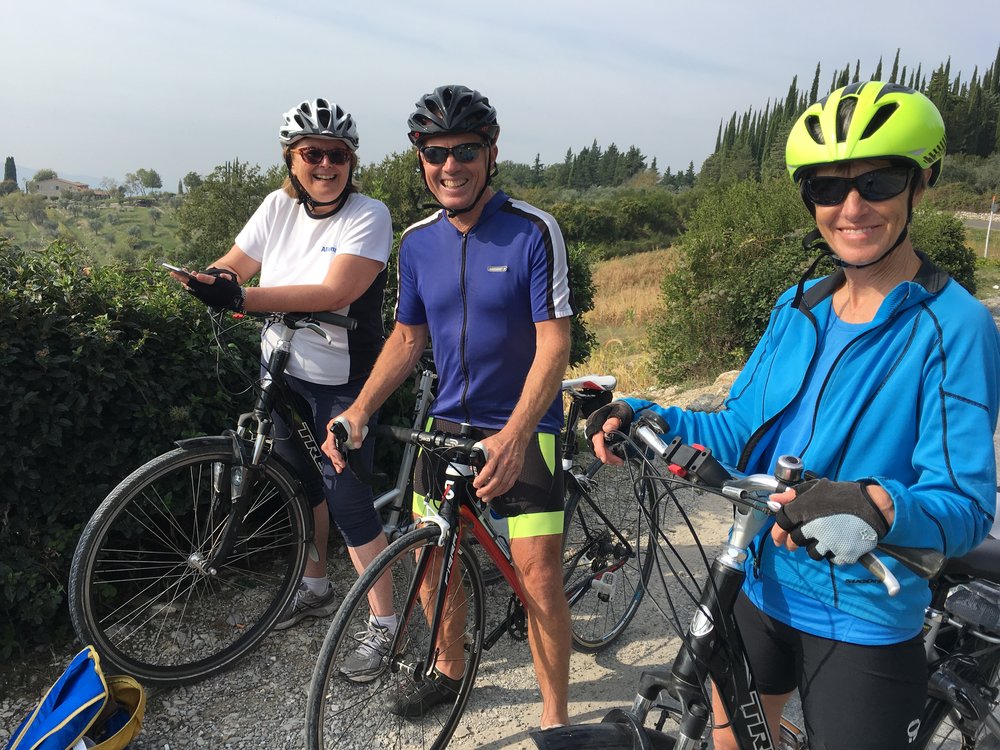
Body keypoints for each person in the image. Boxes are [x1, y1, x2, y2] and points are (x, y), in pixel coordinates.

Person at [587, 81, 1000, 750]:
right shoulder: (797, 307)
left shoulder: (955, 327)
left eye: (880, 180)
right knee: (734, 741)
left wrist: (871, 503)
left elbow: (962, 503)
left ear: (920, 184)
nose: (853, 207)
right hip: (758, 583)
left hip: (862, 614)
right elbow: (740, 429)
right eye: (827, 189)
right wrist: (644, 415)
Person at [324, 84, 576, 728]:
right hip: (448, 426)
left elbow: (554, 345)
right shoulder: (417, 243)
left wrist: (519, 435)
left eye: (466, 150)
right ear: (421, 159)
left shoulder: (531, 230)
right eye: (435, 153)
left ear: (492, 153)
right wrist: (358, 411)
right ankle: (449, 667)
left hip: (527, 427)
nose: (450, 165)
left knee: (538, 575)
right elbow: (407, 339)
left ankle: (554, 721)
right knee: (431, 553)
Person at [170, 98, 396, 649]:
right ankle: (315, 587)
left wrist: (240, 297)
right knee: (301, 488)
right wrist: (210, 280)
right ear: (291, 160)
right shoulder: (277, 206)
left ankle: (386, 622)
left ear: (351, 160)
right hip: (283, 369)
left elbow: (335, 291)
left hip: (344, 381)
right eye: (312, 153)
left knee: (346, 498)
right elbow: (235, 263)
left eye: (337, 154)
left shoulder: (369, 214)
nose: (325, 165)